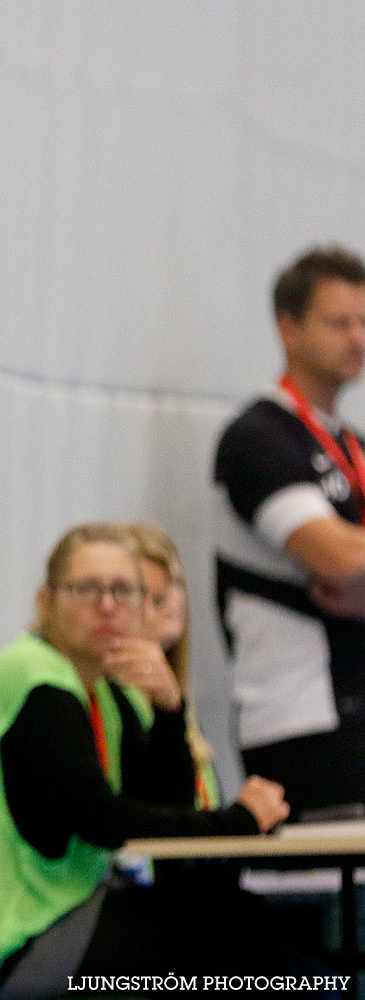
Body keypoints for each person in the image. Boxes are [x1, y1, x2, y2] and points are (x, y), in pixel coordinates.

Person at [0, 523, 298, 996]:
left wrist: (169, 709)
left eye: (123, 591)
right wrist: (238, 821)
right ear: (46, 603)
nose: (107, 605)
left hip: (50, 916)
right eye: (85, 589)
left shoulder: (104, 690)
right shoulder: (33, 678)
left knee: (234, 919)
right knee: (231, 935)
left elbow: (160, 807)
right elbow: (104, 820)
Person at [214, 245, 365, 813]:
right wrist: (349, 565)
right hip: (298, 710)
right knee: (322, 889)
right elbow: (339, 560)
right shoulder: (259, 437)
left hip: (353, 696)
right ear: (288, 328)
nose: (357, 338)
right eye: (339, 322)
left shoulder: (352, 445)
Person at [126, 521, 220, 808]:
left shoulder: (173, 697)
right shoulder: (115, 700)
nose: (170, 598)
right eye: (145, 589)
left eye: (174, 581)